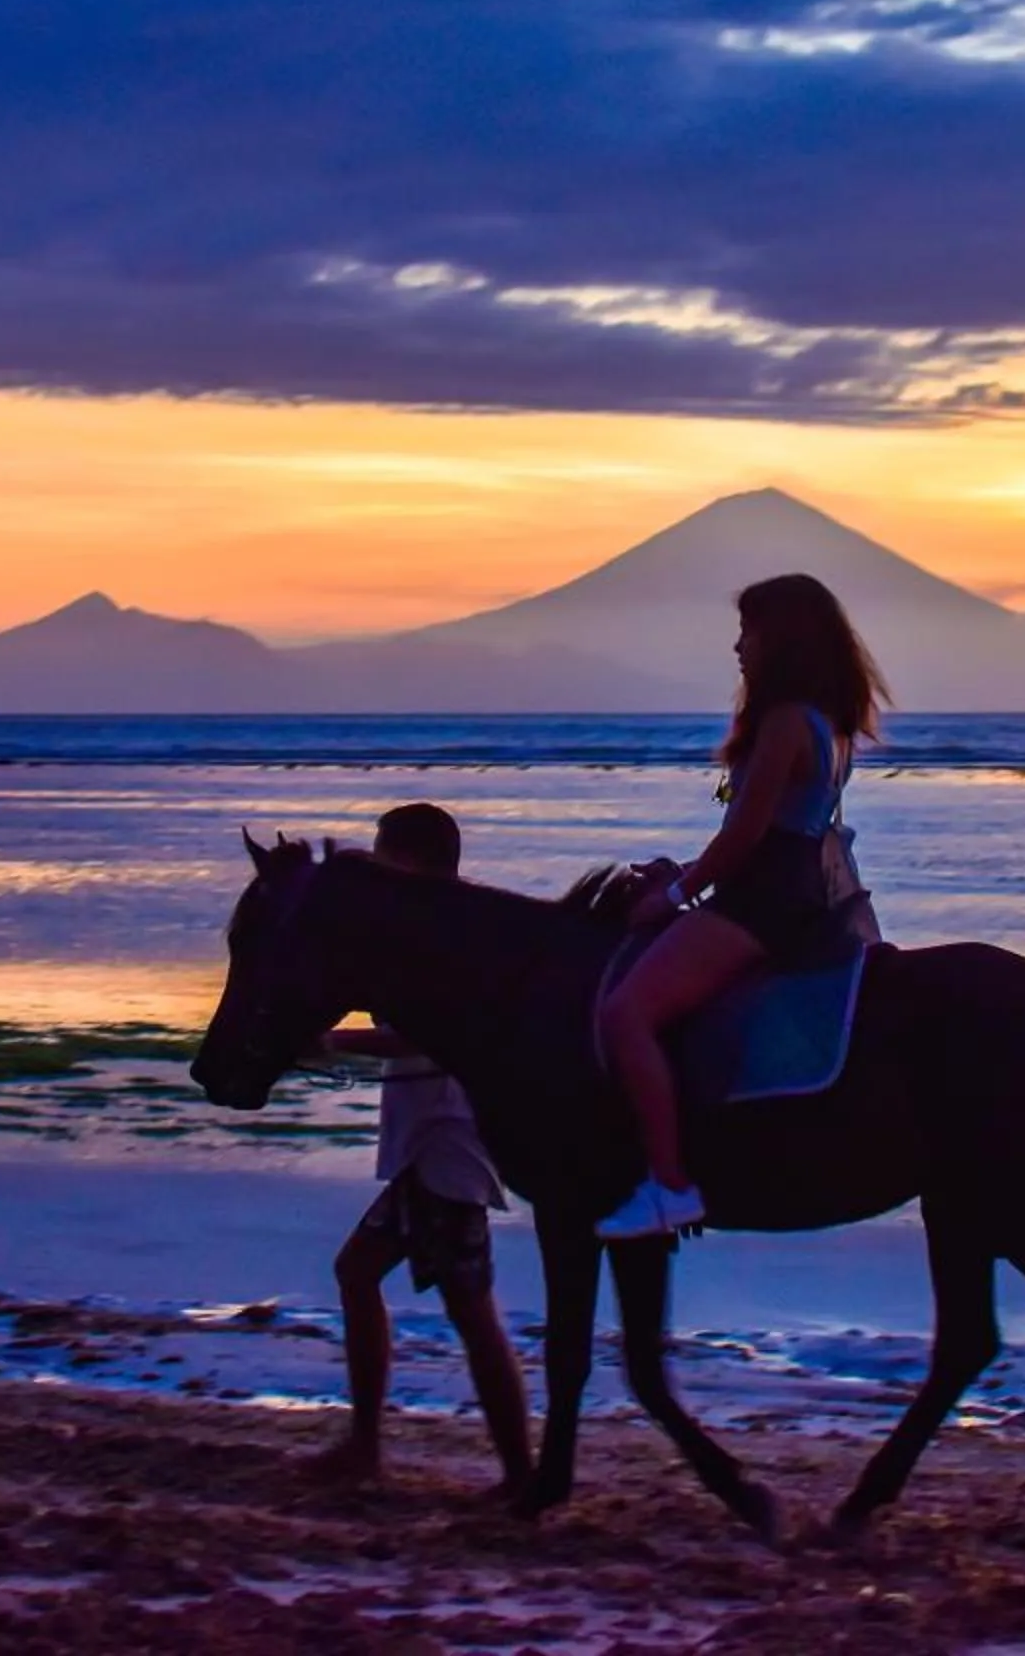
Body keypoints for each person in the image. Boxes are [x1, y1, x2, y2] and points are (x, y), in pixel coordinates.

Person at [594, 572, 887, 1241]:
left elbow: (746, 836)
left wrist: (674, 895)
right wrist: (685, 875)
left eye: (748, 632)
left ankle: (669, 1183)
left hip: (763, 902)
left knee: (625, 1013)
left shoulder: (785, 723)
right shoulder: (828, 723)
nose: (738, 647)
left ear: (781, 640)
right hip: (789, 892)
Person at [305, 802, 532, 1494]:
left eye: (383, 856)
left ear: (409, 860)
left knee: (468, 1309)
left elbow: (429, 1034)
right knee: (376, 1279)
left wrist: (333, 1042)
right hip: (434, 1144)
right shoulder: (439, 929)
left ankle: (513, 1470)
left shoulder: (446, 938)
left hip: (448, 1144)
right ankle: (370, 1446)